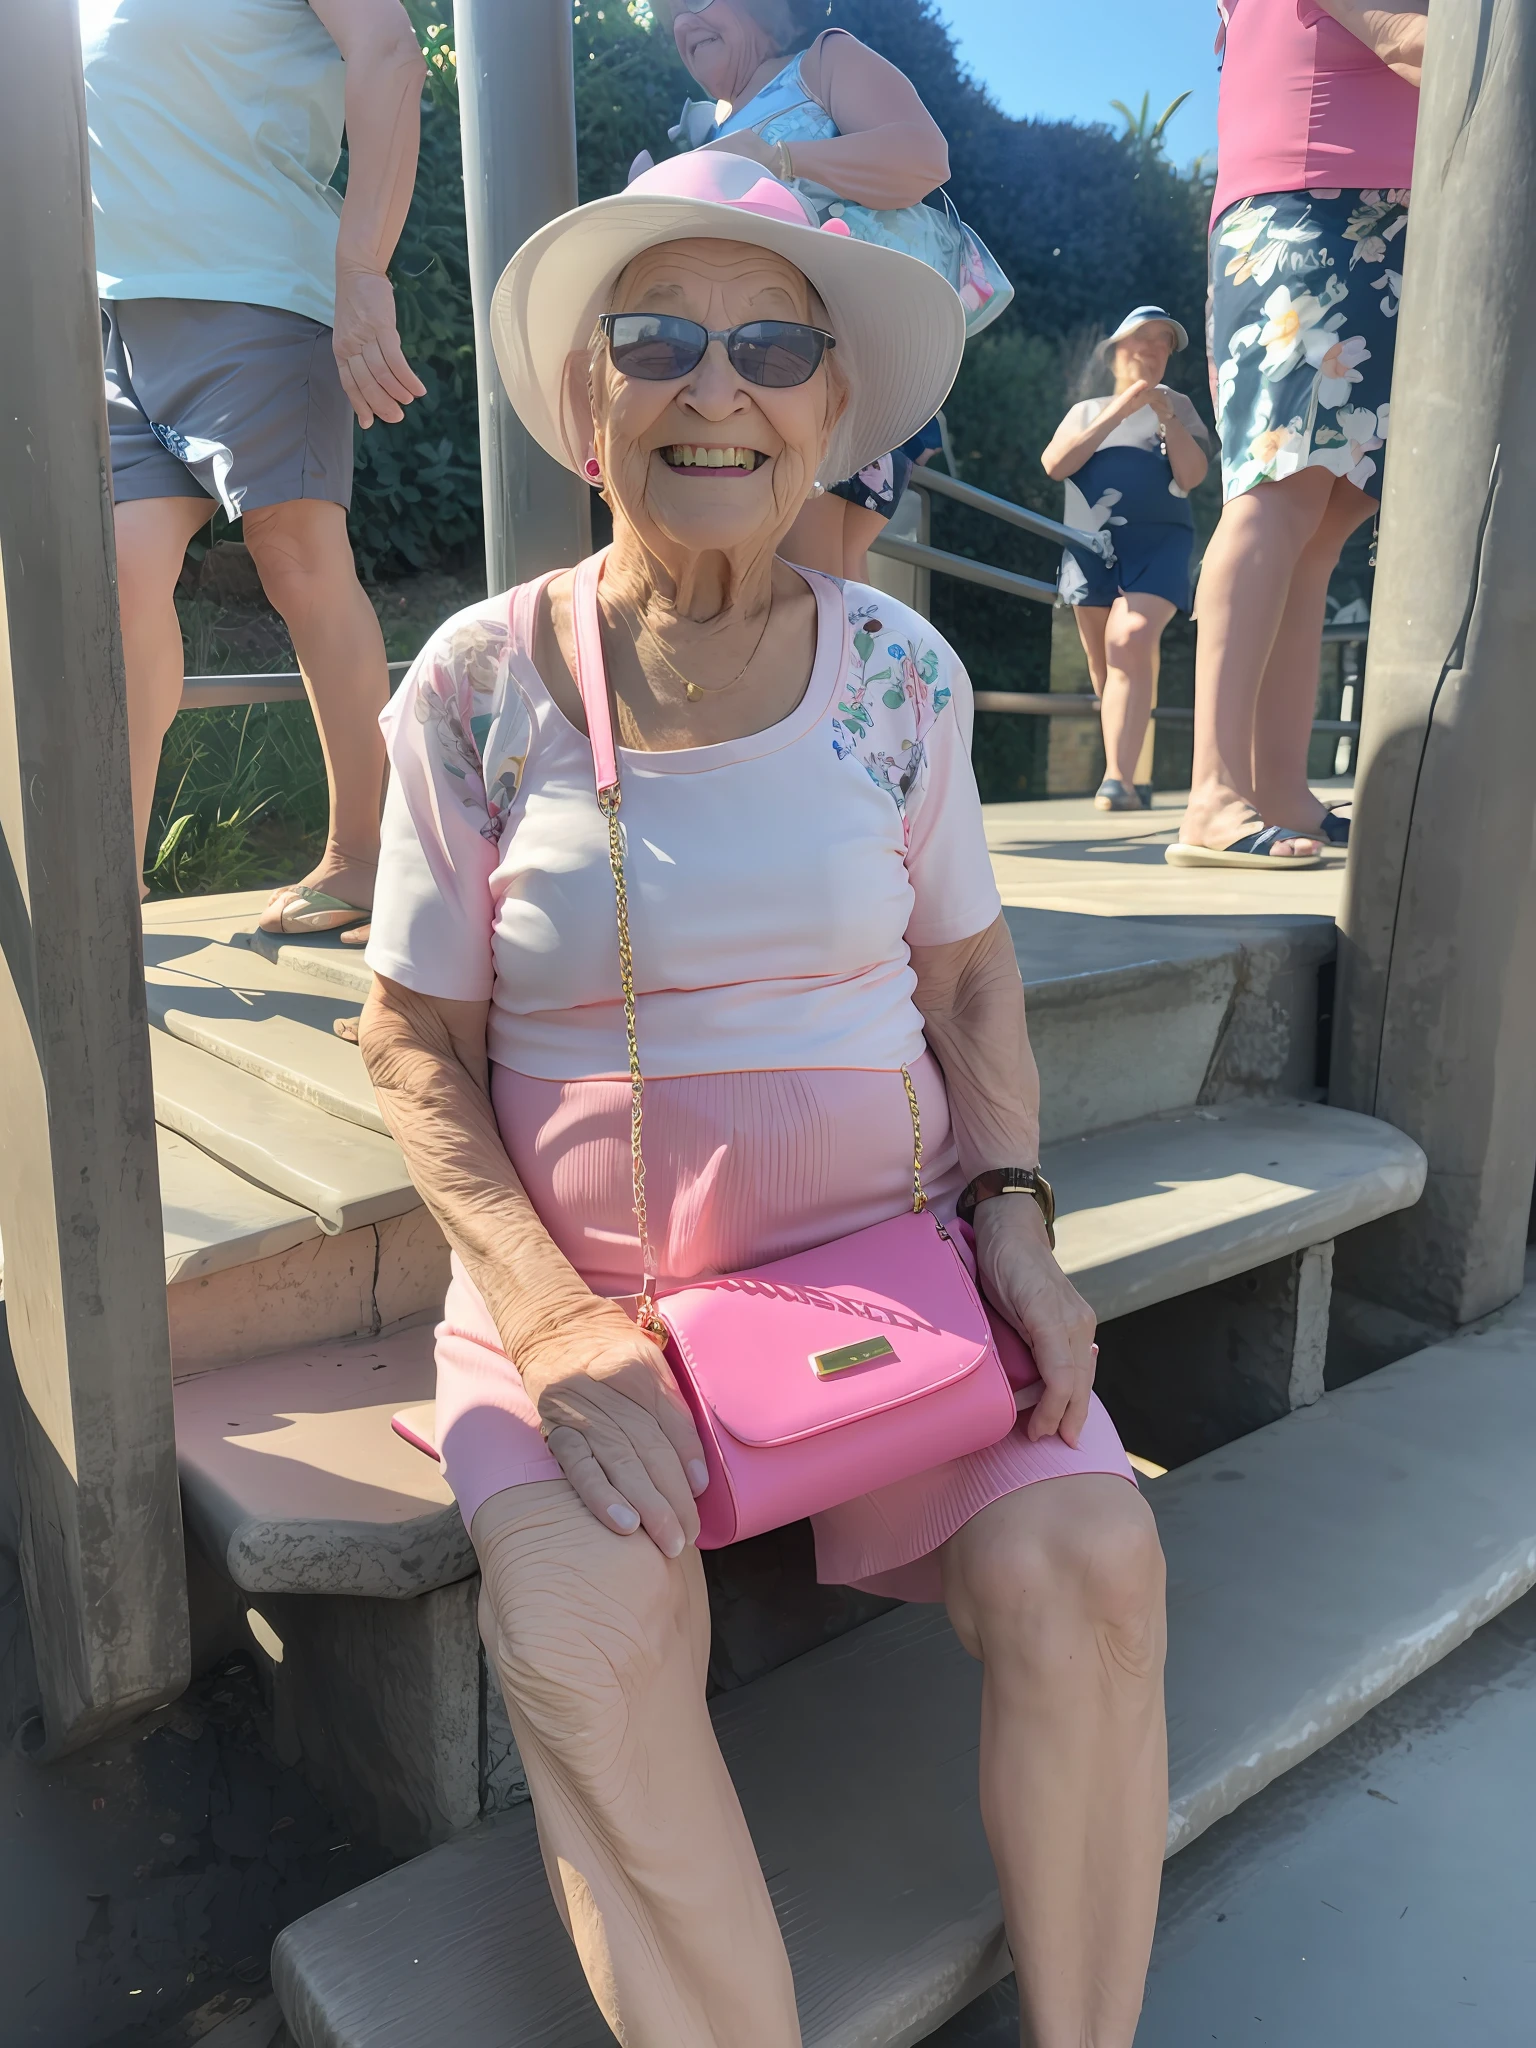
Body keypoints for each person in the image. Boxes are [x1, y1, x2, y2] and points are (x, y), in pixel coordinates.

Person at [359, 152, 1167, 2048]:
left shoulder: (902, 668)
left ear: (831, 412)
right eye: (655, 340)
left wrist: (1019, 1226)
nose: (710, 385)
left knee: (1093, 1551)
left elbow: (965, 975)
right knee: (573, 1633)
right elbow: (407, 1039)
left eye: (767, 348)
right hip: (589, 1301)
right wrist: (551, 1323)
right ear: (587, 403)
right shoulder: (480, 680)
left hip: (885, 1267)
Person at [82, 0, 427, 937]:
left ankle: (366, 856)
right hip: (109, 318)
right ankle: (110, 877)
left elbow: (391, 49)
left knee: (298, 557)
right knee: (116, 585)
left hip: (259, 294)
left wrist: (362, 270)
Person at [1170, 0, 1426, 867]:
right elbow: (1416, 40)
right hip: (1307, 213)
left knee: (1324, 519)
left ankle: (1278, 786)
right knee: (1280, 490)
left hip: (1381, 219)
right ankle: (1212, 791)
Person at [659, 0, 953, 579]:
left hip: (833, 361)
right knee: (824, 577)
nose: (682, 20)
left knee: (801, 576)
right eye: (668, 9)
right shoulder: (707, 123)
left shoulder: (822, 61)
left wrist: (780, 157)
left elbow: (924, 156)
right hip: (763, 365)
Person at [1043, 306, 1209, 812]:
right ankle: (1133, 776)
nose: (1154, 350)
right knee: (1107, 666)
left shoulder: (1179, 407)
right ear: (1116, 350)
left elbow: (1192, 476)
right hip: (1091, 544)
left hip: (1160, 542)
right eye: (1144, 339)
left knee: (1130, 638)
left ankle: (1116, 778)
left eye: (1164, 343)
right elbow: (1056, 465)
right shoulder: (1087, 410)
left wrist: (1166, 417)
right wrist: (1123, 408)